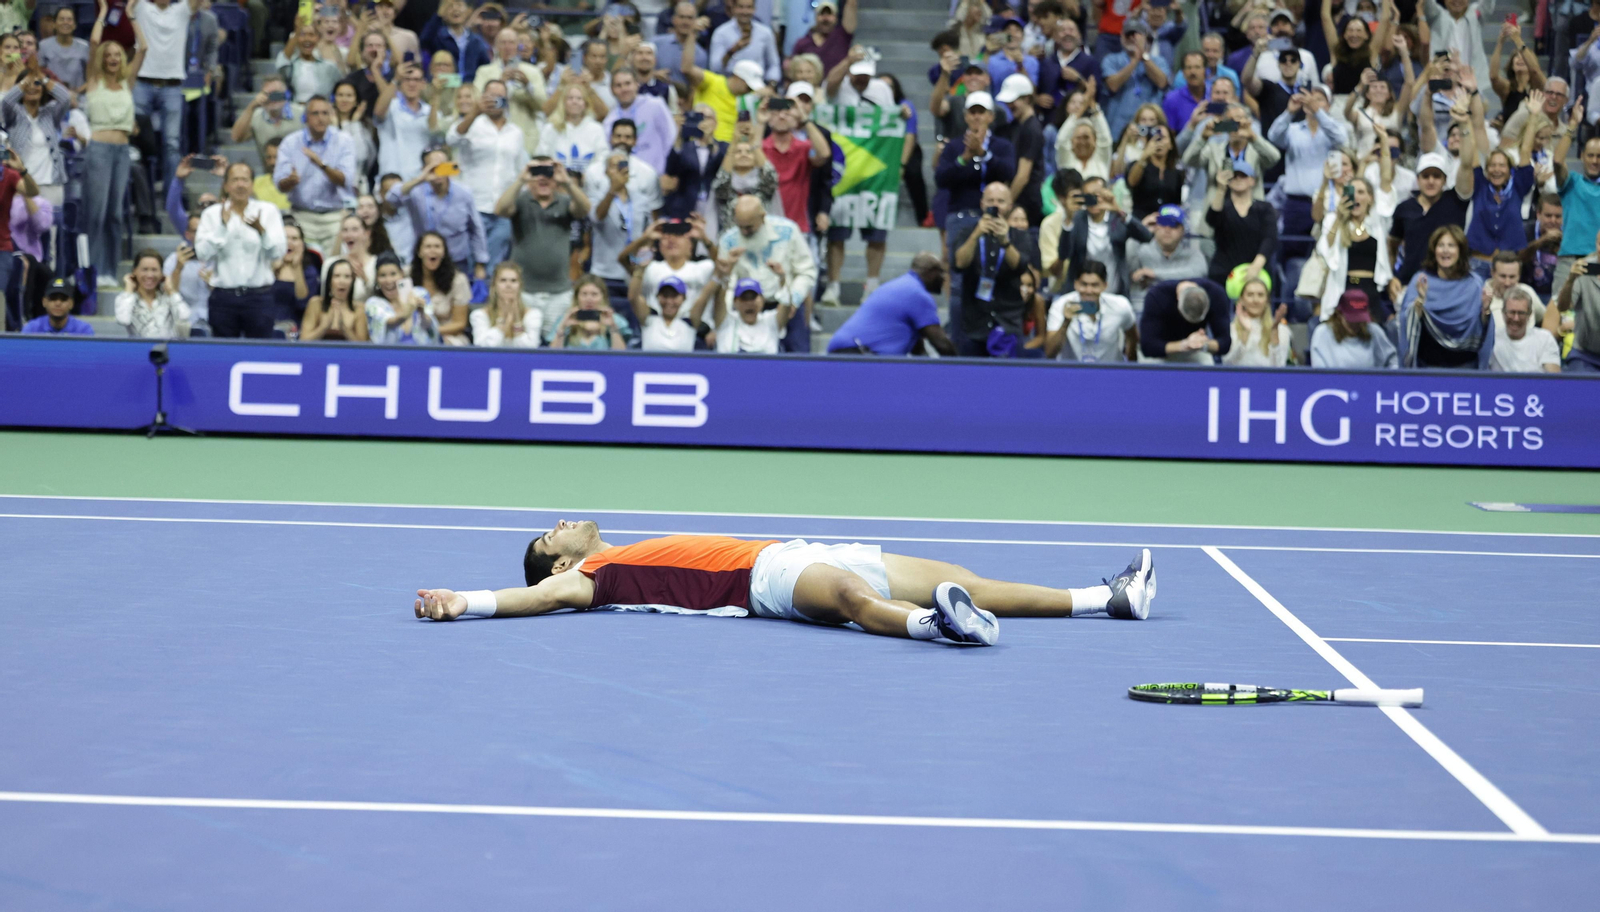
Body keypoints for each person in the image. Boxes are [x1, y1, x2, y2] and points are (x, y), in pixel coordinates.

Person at [412, 523, 1160, 647]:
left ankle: (1107, 599)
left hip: (791, 548)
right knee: (850, 602)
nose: (562, 524)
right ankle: (935, 628)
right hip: (759, 579)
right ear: (564, 564)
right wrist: (465, 602)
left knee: (963, 576)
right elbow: (534, 598)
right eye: (551, 539)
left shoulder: (623, 547)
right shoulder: (589, 580)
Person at [83, 2, 144, 290]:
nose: (111, 58)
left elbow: (142, 47)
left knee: (116, 214)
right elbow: (94, 41)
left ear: (122, 58)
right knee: (96, 213)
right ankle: (93, 271)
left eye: (116, 54)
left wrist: (130, 14)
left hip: (122, 152)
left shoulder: (128, 82)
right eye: (107, 55)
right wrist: (104, 13)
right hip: (98, 151)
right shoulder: (94, 81)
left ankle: (109, 269)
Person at [498, 156, 591, 343]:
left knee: (557, 344)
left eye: (548, 172)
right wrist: (521, 180)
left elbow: (585, 209)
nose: (543, 178)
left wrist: (567, 182)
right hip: (524, 292)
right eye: (537, 172)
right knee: (521, 342)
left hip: (559, 293)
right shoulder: (521, 200)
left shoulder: (565, 201)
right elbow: (500, 209)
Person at [194, 161, 288, 338]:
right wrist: (222, 226)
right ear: (226, 185)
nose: (240, 185)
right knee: (223, 355)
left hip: (259, 297)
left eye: (245, 180)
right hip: (223, 297)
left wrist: (262, 232)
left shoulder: (268, 211)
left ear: (252, 184)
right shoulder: (212, 214)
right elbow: (202, 254)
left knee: (261, 355)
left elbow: (278, 252)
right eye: (235, 180)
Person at [448, 79, 527, 270]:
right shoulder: (471, 124)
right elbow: (452, 139)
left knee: (495, 266)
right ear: (482, 97)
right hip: (474, 206)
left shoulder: (515, 132)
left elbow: (520, 171)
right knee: (469, 263)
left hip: (502, 210)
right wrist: (475, 112)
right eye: (490, 96)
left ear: (507, 100)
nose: (495, 101)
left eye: (500, 96)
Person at [585, 124, 663, 316]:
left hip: (632, 273)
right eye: (614, 166)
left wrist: (641, 264)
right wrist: (612, 190)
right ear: (606, 172)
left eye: (623, 166)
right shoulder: (598, 197)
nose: (619, 171)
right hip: (604, 273)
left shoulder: (641, 199)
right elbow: (597, 217)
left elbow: (650, 234)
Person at [951, 182, 1034, 356]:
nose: (995, 205)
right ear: (982, 204)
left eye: (1001, 201)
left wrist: (1005, 241)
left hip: (1008, 321)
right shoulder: (967, 232)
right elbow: (959, 263)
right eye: (990, 201)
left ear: (1009, 206)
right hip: (974, 322)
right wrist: (976, 235)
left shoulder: (1020, 235)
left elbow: (1020, 266)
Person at [1269, 85, 1350, 258]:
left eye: (1319, 99)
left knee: (1324, 252)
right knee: (1291, 254)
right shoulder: (1293, 130)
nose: (1312, 101)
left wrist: (1318, 113)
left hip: (1327, 202)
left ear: (1328, 106)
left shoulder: (1335, 129)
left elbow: (1342, 140)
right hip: (1295, 203)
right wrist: (1289, 112)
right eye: (1309, 98)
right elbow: (1273, 136)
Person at [1398, 224, 1492, 369]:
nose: (1445, 250)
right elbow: (1406, 319)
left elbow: (1484, 327)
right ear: (1434, 250)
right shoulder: (1422, 280)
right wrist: (1420, 302)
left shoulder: (1474, 284)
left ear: (1460, 250)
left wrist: (1486, 311)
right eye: (1441, 245)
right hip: (1428, 367)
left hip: (1466, 367)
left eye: (1451, 245)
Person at [716, 194, 816, 332]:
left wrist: (794, 299)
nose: (744, 232)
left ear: (762, 217)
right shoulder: (728, 241)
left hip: (786, 303)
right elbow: (728, 284)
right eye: (741, 227)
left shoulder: (788, 231)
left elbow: (806, 272)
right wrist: (726, 315)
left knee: (797, 350)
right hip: (747, 307)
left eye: (749, 227)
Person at [387, 146, 487, 279]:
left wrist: (480, 263)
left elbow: (476, 229)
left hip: (456, 259)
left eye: (442, 167)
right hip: (424, 260)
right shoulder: (415, 192)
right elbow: (391, 198)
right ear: (424, 168)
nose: (437, 172)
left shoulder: (464, 193)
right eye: (432, 167)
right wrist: (420, 179)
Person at [275, 96, 357, 256]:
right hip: (301, 215)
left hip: (334, 217)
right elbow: (280, 184)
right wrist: (290, 181)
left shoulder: (344, 140)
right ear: (306, 117)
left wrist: (321, 165)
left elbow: (345, 180)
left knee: (334, 270)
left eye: (325, 113)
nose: (321, 118)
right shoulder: (290, 143)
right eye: (315, 113)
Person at [827, 254, 955, 356]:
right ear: (930, 272)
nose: (944, 278)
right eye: (941, 272)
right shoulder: (918, 294)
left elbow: (918, 349)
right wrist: (961, 370)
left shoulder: (902, 285)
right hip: (858, 354)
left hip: (848, 351)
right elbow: (941, 343)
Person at [128, 0, 197, 187]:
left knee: (172, 144)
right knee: (136, 140)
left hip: (172, 86)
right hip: (142, 82)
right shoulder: (142, 7)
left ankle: (171, 195)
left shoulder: (181, 10)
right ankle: (140, 193)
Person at [933, 92, 1016, 232]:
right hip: (961, 214)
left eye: (981, 112)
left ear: (991, 116)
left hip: (994, 216)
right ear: (966, 117)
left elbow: (1009, 172)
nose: (977, 116)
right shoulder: (954, 146)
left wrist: (984, 154)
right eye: (972, 112)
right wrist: (963, 159)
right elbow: (940, 179)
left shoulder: (1003, 146)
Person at [1062, 176, 1150, 296]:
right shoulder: (1077, 219)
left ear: (1108, 194)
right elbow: (1064, 253)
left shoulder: (1118, 218)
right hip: (1083, 294)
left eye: (1098, 194)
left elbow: (1146, 236)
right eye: (1089, 196)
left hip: (1115, 294)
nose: (1094, 200)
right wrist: (1068, 219)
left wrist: (1119, 211)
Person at [761, 95, 829, 235]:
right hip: (763, 225)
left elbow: (823, 154)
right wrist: (760, 122)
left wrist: (804, 117)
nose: (781, 116)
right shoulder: (761, 149)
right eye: (775, 112)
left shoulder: (803, 148)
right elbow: (752, 153)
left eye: (787, 113)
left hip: (797, 227)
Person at [472, 26, 546, 154]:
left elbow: (542, 106)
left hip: (525, 139)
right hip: (491, 137)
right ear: (496, 47)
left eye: (511, 42)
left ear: (518, 46)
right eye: (503, 43)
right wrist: (500, 84)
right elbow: (477, 101)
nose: (507, 47)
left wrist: (528, 86)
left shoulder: (532, 72)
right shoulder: (484, 71)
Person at [1044, 260, 1138, 362]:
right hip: (1073, 373)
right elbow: (1050, 353)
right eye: (1084, 284)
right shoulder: (1060, 305)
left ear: (1105, 285)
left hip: (1110, 373)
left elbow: (1132, 337)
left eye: (1095, 285)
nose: (1089, 291)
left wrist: (1131, 366)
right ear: (1076, 284)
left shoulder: (1120, 305)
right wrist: (1065, 323)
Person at [1125, 204, 1206, 315]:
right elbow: (1127, 263)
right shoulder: (1142, 249)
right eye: (1163, 223)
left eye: (1173, 225)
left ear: (1182, 230)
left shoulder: (1191, 253)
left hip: (1179, 312)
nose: (1167, 229)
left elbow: (1199, 272)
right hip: (1145, 310)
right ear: (1156, 227)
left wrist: (1154, 273)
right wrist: (1141, 227)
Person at [1100, 20, 1170, 142]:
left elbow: (1162, 82)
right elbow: (1113, 85)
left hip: (1150, 124)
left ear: (1145, 37)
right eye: (1128, 34)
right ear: (1122, 37)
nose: (1132, 38)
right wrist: (1134, 61)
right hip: (1118, 125)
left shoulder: (1158, 61)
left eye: (1136, 34)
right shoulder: (1111, 60)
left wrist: (1144, 56)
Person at [1138, 277, 1231, 363]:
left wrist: (1203, 344)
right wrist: (1183, 345)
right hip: (1163, 350)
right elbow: (1148, 346)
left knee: (1207, 363)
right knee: (1149, 365)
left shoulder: (1216, 293)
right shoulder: (1157, 296)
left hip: (1196, 349)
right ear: (1178, 298)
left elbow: (1225, 343)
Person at [602, 68, 675, 175]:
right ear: (612, 90)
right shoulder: (609, 121)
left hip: (658, 176)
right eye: (618, 85)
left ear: (637, 84)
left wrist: (668, 172)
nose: (624, 89)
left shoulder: (655, 105)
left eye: (628, 83)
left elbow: (670, 139)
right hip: (626, 179)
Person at [374, 62, 433, 182]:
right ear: (400, 84)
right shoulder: (391, 106)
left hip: (422, 179)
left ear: (423, 84)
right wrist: (395, 79)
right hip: (393, 178)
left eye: (416, 80)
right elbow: (378, 113)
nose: (412, 84)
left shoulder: (431, 112)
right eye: (407, 79)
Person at [1310, 288, 1397, 367]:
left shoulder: (1373, 330)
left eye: (1360, 320)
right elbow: (1320, 375)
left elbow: (1392, 361)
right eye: (1351, 320)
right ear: (1339, 314)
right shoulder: (1322, 333)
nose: (1355, 324)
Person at [410, 230, 470, 344]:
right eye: (428, 246)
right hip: (412, 334)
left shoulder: (458, 280)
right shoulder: (407, 275)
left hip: (448, 335)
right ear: (419, 252)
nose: (433, 250)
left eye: (437, 246)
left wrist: (430, 332)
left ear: (443, 252)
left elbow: (460, 323)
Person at [537, 83, 610, 176]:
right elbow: (542, 156)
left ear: (586, 104)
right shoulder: (550, 128)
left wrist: (588, 175)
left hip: (588, 181)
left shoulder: (596, 128)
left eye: (579, 98)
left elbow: (603, 157)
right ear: (563, 102)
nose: (574, 101)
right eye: (570, 98)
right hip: (556, 180)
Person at [114, 248, 190, 337]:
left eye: (154, 270)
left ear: (162, 273)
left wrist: (171, 291)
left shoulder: (168, 297)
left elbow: (184, 317)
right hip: (139, 349)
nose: (150, 275)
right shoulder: (127, 298)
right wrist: (128, 289)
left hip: (166, 348)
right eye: (145, 269)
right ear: (134, 271)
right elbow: (123, 319)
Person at [366, 252, 438, 344]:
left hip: (422, 355)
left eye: (393, 274)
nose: (388, 281)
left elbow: (429, 327)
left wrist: (421, 312)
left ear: (401, 274)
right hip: (390, 356)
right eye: (382, 275)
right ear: (377, 279)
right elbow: (392, 323)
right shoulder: (373, 304)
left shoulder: (420, 293)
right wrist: (409, 309)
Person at [230, 75, 302, 163]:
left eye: (277, 94)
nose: (273, 99)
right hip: (270, 172)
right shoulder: (256, 116)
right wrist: (252, 106)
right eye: (268, 95)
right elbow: (236, 137)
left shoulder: (301, 113)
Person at [1223, 277, 1291, 366]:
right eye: (1250, 295)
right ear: (1241, 300)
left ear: (1267, 300)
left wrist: (1274, 333)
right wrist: (1245, 335)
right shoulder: (1230, 328)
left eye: (1260, 295)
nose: (1255, 300)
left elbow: (1279, 367)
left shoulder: (1282, 330)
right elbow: (1227, 365)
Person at [1489, 287, 1560, 373]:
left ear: (1529, 315)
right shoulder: (1492, 338)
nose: (1516, 318)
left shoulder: (1545, 338)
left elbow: (1554, 378)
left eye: (1521, 313)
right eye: (1512, 312)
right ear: (1503, 313)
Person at [471, 261, 540, 347]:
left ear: (520, 285)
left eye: (513, 281)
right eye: (503, 280)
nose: (508, 285)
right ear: (494, 286)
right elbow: (483, 347)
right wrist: (502, 321)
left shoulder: (533, 315)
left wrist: (517, 320)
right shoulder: (479, 315)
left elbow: (530, 349)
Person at [551, 274, 628, 350]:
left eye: (594, 294)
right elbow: (552, 358)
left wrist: (613, 327)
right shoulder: (565, 319)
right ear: (577, 297)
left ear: (603, 297)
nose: (589, 299)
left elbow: (621, 358)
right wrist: (562, 328)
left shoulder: (616, 320)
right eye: (584, 294)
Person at [709, 0, 779, 84]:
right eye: (741, 7)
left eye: (749, 7)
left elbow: (773, 65)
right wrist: (733, 50)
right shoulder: (721, 33)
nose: (745, 12)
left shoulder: (765, 33)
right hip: (728, 84)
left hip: (757, 84)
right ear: (734, 8)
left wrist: (771, 86)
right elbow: (715, 68)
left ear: (754, 9)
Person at [277, 22, 342, 112]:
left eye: (311, 35)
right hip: (297, 113)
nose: (307, 39)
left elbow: (342, 88)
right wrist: (297, 30)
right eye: (302, 34)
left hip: (323, 113)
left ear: (318, 38)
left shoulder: (330, 67)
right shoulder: (291, 66)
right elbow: (282, 62)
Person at [300, 258, 368, 342]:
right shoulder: (316, 304)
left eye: (347, 276)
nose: (342, 281)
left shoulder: (359, 308)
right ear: (329, 281)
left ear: (352, 282)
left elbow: (363, 348)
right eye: (337, 276)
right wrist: (323, 327)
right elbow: (303, 341)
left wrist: (344, 328)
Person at [421, 0, 490, 82]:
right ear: (444, 12)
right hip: (444, 85)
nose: (455, 9)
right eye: (450, 6)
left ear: (468, 11)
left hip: (470, 87)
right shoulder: (437, 37)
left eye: (459, 5)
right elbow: (424, 41)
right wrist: (438, 15)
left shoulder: (476, 40)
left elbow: (485, 66)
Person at [271, 221, 318, 331]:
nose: (289, 242)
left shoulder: (309, 271)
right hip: (266, 325)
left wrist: (297, 268)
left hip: (295, 328)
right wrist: (272, 271)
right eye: (285, 237)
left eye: (294, 238)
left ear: (302, 243)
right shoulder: (265, 267)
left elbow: (303, 304)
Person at [791, 0, 853, 74]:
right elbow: (793, 69)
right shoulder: (802, 43)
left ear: (836, 18)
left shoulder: (842, 37)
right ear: (816, 17)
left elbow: (852, 5)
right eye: (822, 14)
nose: (825, 18)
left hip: (837, 84)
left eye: (829, 14)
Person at [39, 6, 90, 91]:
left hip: (78, 96)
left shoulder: (84, 47)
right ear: (54, 24)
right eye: (61, 19)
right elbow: (39, 74)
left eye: (69, 20)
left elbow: (92, 78)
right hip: (51, 95)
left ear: (74, 25)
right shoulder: (43, 46)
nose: (65, 22)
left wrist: (77, 92)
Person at [23, 277, 93, 334]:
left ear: (71, 303)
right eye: (53, 298)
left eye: (63, 299)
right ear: (44, 302)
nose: (58, 303)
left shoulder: (83, 331)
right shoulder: (32, 329)